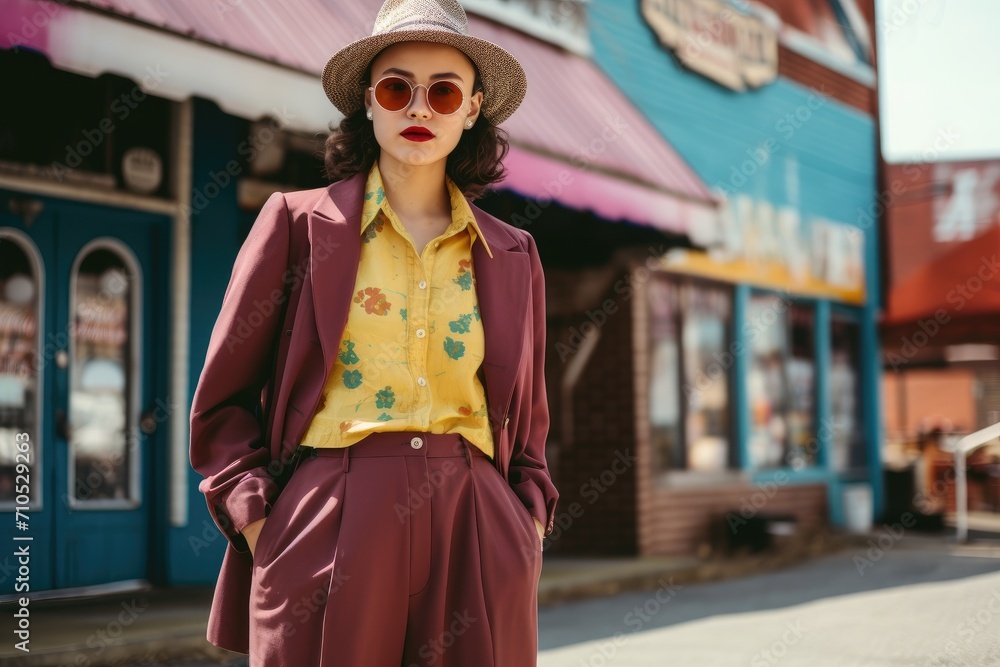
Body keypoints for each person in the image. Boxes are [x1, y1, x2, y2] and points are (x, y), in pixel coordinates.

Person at [188, 0, 559, 664]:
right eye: (397, 88)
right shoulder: (297, 225)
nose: (420, 108)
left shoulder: (513, 253)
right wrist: (260, 520)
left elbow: (527, 422)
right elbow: (222, 398)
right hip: (329, 512)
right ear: (368, 101)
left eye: (444, 91)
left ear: (472, 109)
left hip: (475, 519)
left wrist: (524, 521)